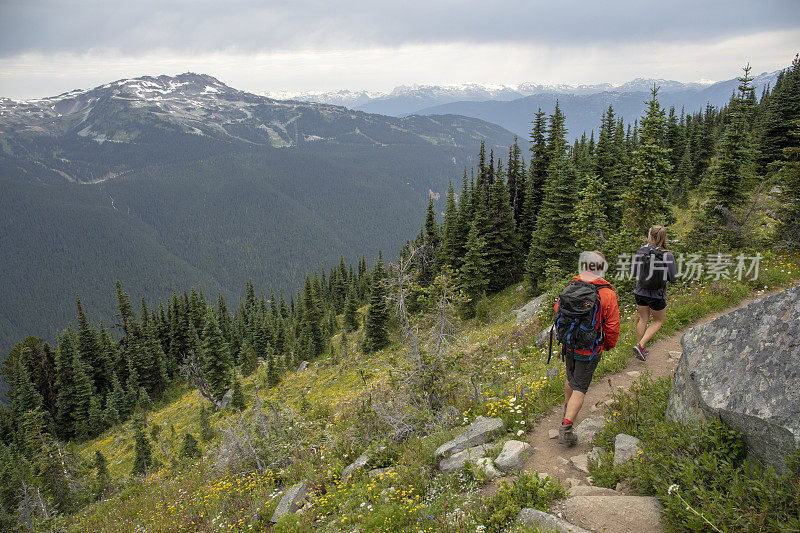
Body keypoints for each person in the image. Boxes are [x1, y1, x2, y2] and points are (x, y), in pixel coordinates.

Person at [555, 251, 620, 446]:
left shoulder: (571, 287)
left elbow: (558, 310)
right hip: (589, 348)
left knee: (570, 379)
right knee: (580, 387)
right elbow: (612, 325)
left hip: (568, 344)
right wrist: (608, 344)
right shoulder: (607, 294)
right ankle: (566, 429)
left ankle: (567, 410)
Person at [632, 226, 677, 360]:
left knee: (643, 319)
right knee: (658, 320)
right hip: (656, 294)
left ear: (650, 236)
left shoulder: (641, 252)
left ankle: (641, 348)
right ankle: (640, 345)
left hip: (640, 292)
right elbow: (673, 278)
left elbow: (635, 273)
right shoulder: (668, 255)